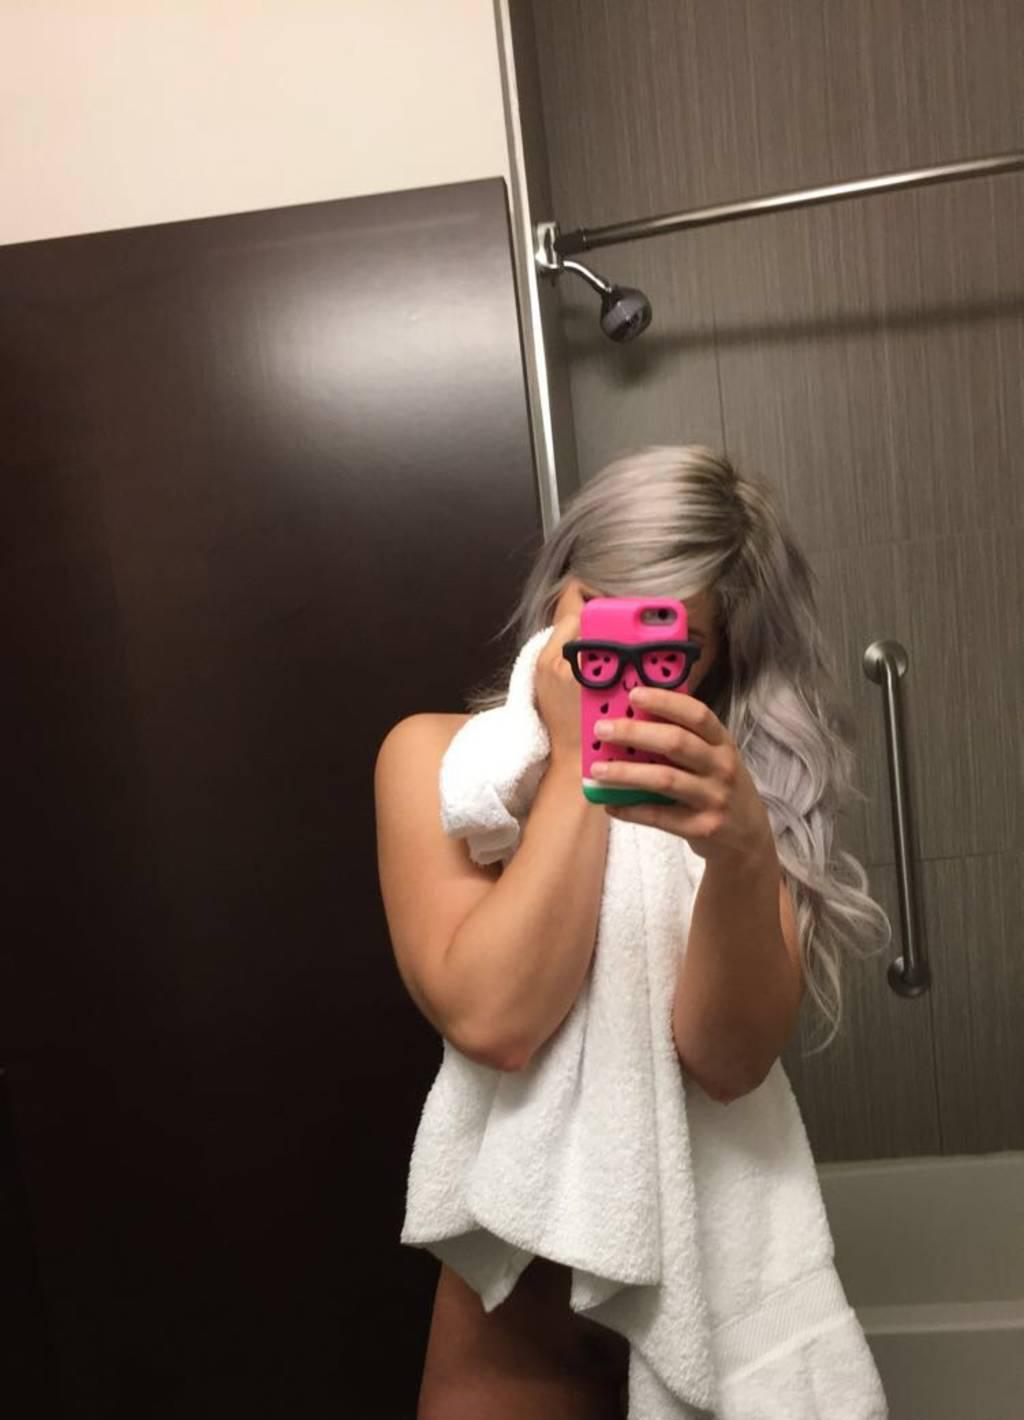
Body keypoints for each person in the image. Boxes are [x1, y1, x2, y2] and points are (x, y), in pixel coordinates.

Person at [374, 445, 889, 1419]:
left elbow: (726, 1062)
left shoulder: (737, 797)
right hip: (511, 1332)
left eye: (668, 640)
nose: (622, 659)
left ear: (713, 658)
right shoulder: (438, 762)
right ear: (559, 590)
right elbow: (494, 1020)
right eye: (602, 608)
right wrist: (576, 758)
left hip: (719, 1316)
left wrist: (741, 849)